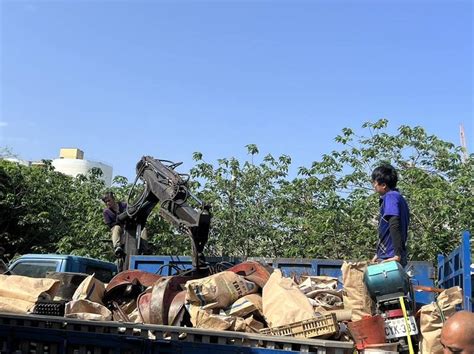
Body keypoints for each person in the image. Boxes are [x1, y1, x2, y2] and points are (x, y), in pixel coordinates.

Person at [370, 164, 410, 267]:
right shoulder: (398, 198)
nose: (374, 186)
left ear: (383, 185)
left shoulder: (391, 197)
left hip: (391, 257)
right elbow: (386, 229)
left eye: (374, 183)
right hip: (388, 255)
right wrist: (377, 254)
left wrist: (397, 255)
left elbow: (394, 224)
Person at [102, 192, 128, 256]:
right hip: (117, 230)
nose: (108, 203)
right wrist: (118, 220)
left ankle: (145, 249)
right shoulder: (106, 211)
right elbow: (110, 225)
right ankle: (117, 247)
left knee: (142, 229)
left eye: (109, 200)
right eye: (106, 202)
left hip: (128, 227)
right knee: (116, 227)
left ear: (113, 199)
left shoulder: (123, 205)